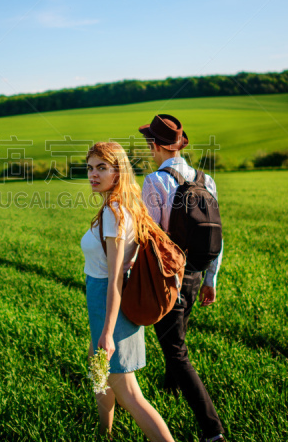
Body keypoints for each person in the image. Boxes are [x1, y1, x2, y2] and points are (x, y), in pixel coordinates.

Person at [139, 115, 226, 442]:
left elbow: (151, 239)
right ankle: (170, 387)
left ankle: (212, 431)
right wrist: (210, 278)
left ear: (155, 145)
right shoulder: (206, 180)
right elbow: (217, 231)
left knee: (175, 349)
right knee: (175, 337)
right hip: (196, 273)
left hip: (168, 276)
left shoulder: (154, 182)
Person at [82, 141, 175, 442]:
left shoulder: (114, 211)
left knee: (130, 394)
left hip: (110, 303)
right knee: (98, 370)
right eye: (90, 168)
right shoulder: (126, 204)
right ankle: (103, 432)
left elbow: (114, 278)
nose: (93, 175)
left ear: (118, 171)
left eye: (101, 168)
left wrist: (107, 332)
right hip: (107, 303)